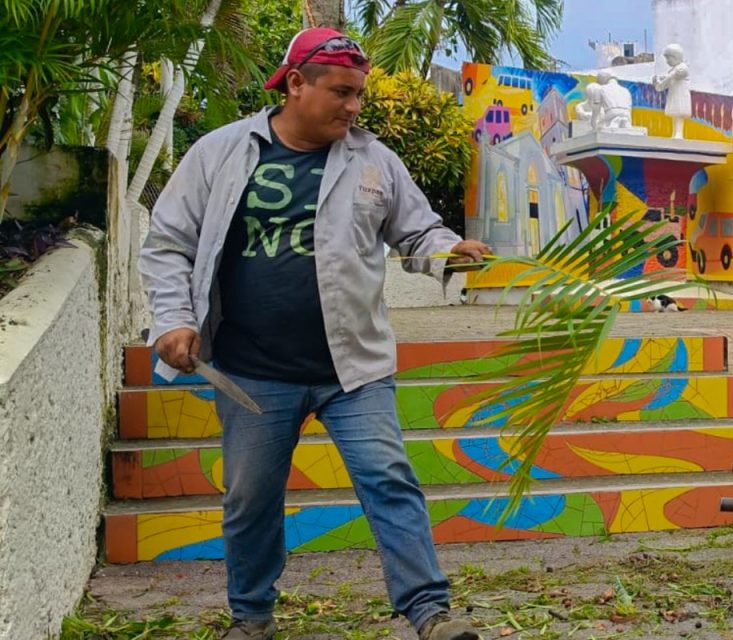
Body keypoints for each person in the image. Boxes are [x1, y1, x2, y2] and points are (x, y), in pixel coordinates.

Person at [138, 27, 488, 640]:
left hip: (353, 370)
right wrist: (173, 319)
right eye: (341, 92)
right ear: (295, 84)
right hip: (252, 371)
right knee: (250, 500)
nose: (353, 107)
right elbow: (169, 243)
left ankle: (429, 613)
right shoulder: (220, 153)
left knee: (389, 479)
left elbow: (417, 232)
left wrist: (450, 251)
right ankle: (250, 619)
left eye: (359, 95)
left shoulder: (374, 159)